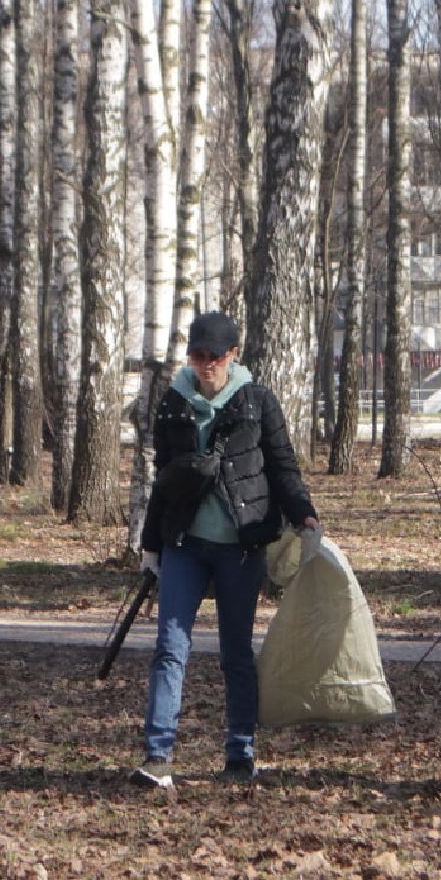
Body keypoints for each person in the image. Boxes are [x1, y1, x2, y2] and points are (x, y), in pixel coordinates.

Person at [132, 311, 321, 790]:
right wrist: (150, 544)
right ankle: (158, 756)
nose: (205, 365)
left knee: (236, 651)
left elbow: (282, 467)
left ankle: (240, 752)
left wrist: (304, 515)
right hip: (184, 546)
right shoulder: (174, 401)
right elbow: (163, 478)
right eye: (197, 356)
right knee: (169, 649)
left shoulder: (257, 401)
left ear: (233, 355)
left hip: (239, 546)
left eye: (214, 357)